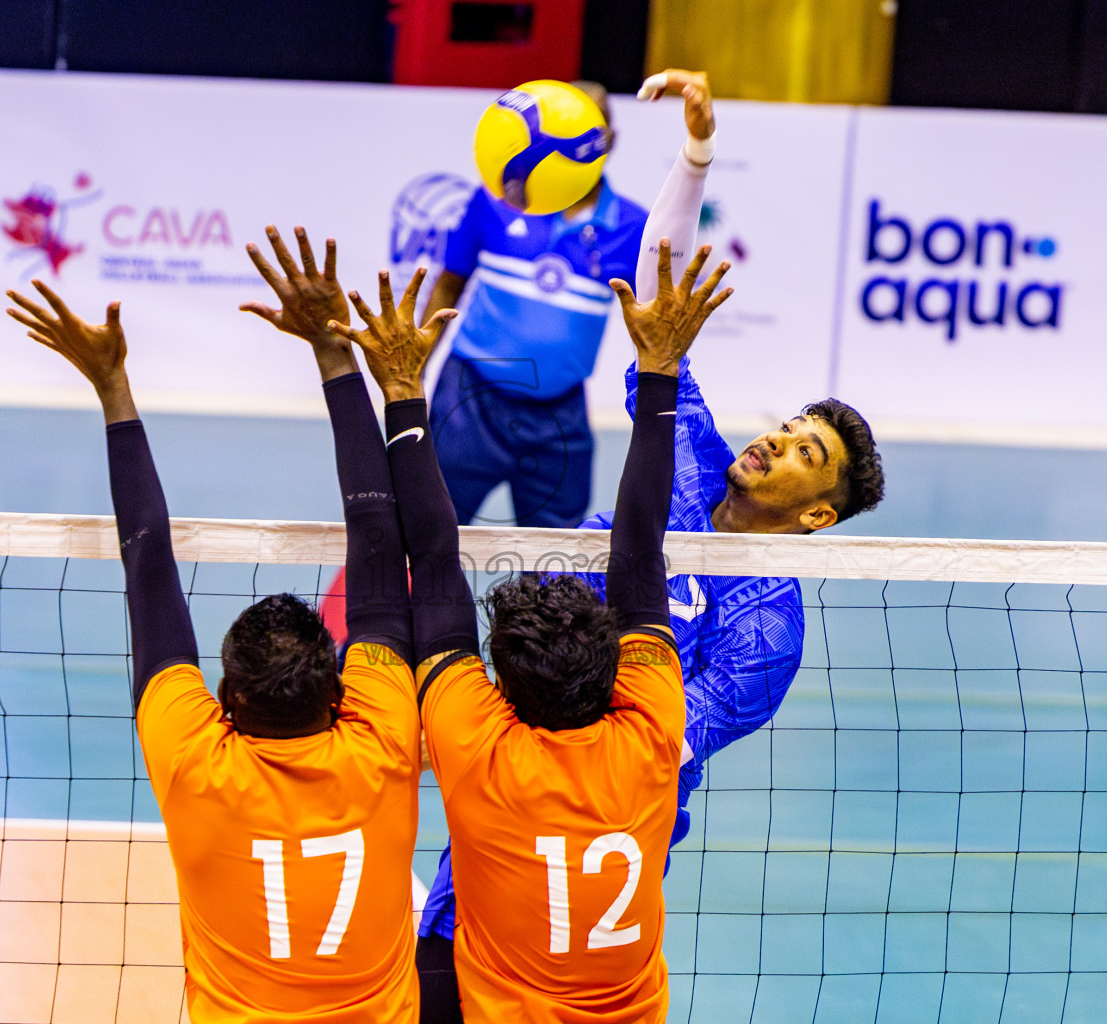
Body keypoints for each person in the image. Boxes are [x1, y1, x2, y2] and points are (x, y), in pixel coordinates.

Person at [413, 70, 888, 1009]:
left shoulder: (767, 632)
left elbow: (662, 742)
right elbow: (658, 299)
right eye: (788, 425)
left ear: (815, 514)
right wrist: (698, 154)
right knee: (441, 966)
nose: (775, 441)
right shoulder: (698, 455)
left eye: (804, 453)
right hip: (509, 778)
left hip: (601, 850)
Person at [4, 223, 450, 1022]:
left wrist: (112, 387)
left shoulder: (196, 763)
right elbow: (379, 541)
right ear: (338, 689)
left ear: (227, 700)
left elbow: (147, 569)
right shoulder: (382, 738)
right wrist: (331, 352)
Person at [332, 237, 732, 1023]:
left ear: (502, 690)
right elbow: (641, 555)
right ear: (616, 667)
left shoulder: (482, 747)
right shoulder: (655, 726)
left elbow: (435, 561)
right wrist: (660, 369)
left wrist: (403, 392)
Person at [420, 81, 649, 529]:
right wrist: (410, 371)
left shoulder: (633, 225)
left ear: (610, 141)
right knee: (429, 537)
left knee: (556, 567)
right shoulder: (493, 200)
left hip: (560, 416)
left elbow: (655, 322)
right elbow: (448, 285)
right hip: (468, 400)